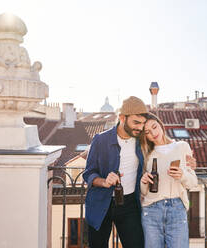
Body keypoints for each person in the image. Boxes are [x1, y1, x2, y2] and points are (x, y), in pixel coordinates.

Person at [83, 96, 148, 248]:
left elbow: (163, 142)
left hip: (129, 204)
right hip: (100, 203)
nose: (140, 127)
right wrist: (104, 181)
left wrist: (186, 158)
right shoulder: (100, 140)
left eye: (143, 123)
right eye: (136, 122)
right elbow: (88, 173)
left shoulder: (142, 139)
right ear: (122, 118)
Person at [140, 113, 198, 248]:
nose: (153, 133)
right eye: (147, 132)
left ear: (161, 125)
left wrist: (182, 175)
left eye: (154, 127)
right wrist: (143, 182)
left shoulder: (182, 147)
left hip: (177, 208)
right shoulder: (146, 153)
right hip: (151, 210)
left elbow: (193, 182)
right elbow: (143, 192)